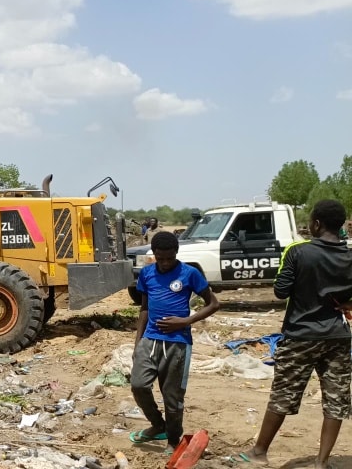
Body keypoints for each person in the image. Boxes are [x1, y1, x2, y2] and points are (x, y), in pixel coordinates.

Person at [235, 200, 352, 468]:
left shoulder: (299, 252)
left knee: (283, 393)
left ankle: (259, 452)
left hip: (301, 334)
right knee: (335, 399)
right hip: (337, 336)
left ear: (317, 224)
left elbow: (281, 291)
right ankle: (321, 462)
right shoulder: (349, 257)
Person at [129, 231, 219, 454]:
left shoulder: (189, 273)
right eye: (161, 258)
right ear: (155, 255)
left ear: (176, 253)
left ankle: (172, 438)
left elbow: (214, 304)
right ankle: (158, 425)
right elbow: (144, 309)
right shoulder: (147, 274)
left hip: (177, 343)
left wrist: (185, 321)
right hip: (150, 340)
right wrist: (138, 342)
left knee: (172, 397)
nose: (166, 263)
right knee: (138, 385)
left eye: (170, 258)